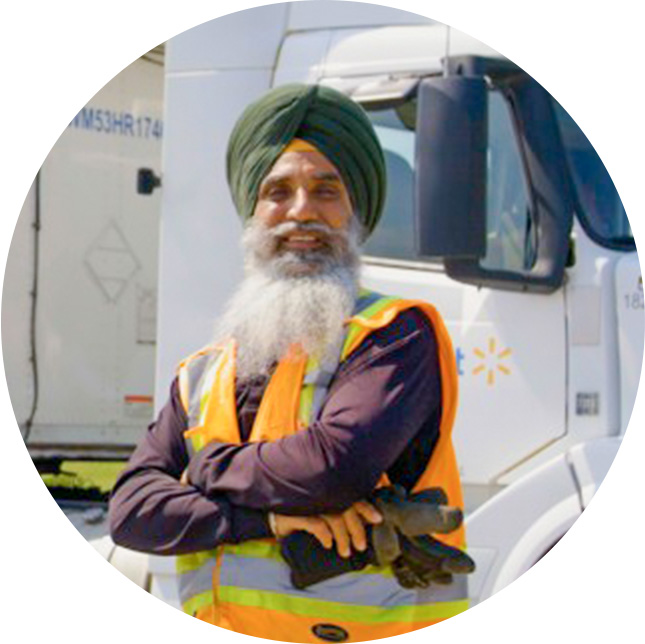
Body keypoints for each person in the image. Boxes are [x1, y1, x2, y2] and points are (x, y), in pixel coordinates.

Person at [109, 83, 469, 643]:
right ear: (253, 211)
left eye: (327, 190)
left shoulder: (393, 335)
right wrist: (264, 520)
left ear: (356, 211)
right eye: (278, 191)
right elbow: (130, 511)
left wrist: (205, 469)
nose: (302, 212)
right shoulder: (205, 373)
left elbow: (331, 469)